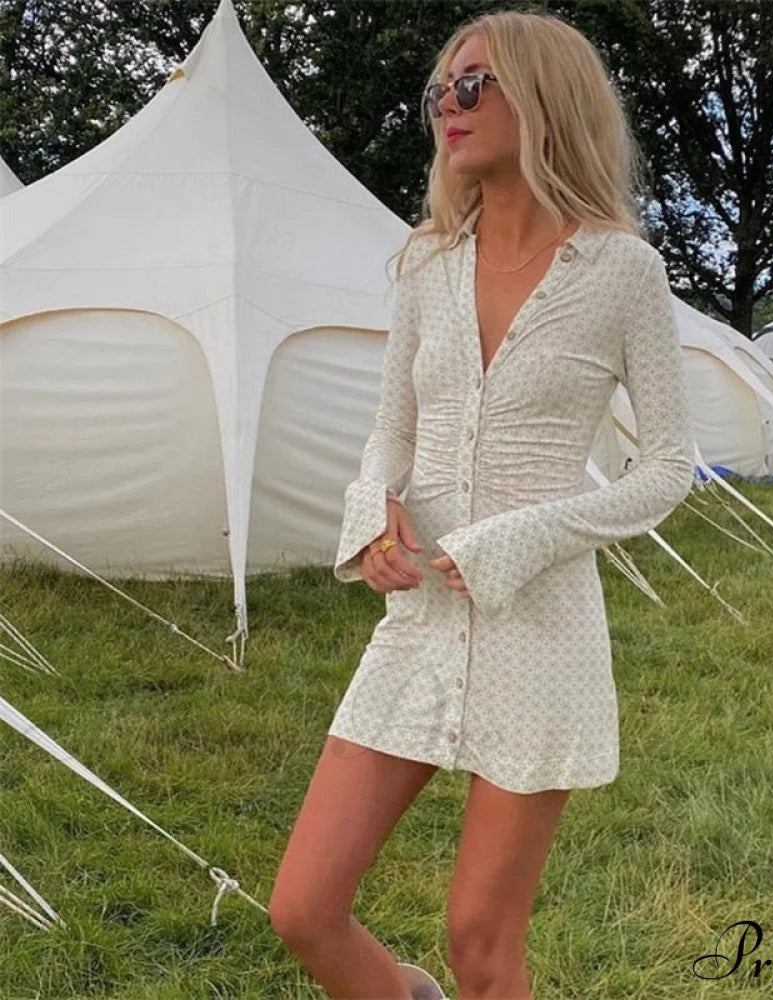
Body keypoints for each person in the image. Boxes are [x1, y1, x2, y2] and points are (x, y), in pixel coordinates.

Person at [269, 9, 694, 999]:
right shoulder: (426, 263)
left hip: (543, 636)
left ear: (544, 98)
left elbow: (669, 466)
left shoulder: (622, 271)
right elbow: (392, 430)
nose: (446, 107)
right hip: (420, 620)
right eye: (439, 90)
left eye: (472, 85)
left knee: (481, 944)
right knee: (304, 907)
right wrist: (373, 509)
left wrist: (527, 533)